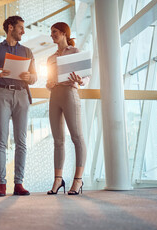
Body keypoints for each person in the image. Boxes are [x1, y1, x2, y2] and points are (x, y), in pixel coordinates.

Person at [0, 16, 37, 196]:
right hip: (2, 93)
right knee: (1, 140)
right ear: (10, 28)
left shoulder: (28, 51)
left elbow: (34, 77)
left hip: (22, 94)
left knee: (21, 141)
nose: (23, 31)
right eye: (20, 27)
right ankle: (2, 184)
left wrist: (29, 77)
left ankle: (18, 183)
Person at [46, 22, 89, 195]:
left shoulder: (75, 52)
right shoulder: (50, 58)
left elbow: (86, 77)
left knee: (77, 137)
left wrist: (80, 81)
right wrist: (49, 83)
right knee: (58, 140)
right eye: (51, 33)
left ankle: (78, 179)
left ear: (64, 33)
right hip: (54, 96)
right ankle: (58, 179)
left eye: (55, 32)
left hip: (70, 93)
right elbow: (48, 82)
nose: (52, 35)